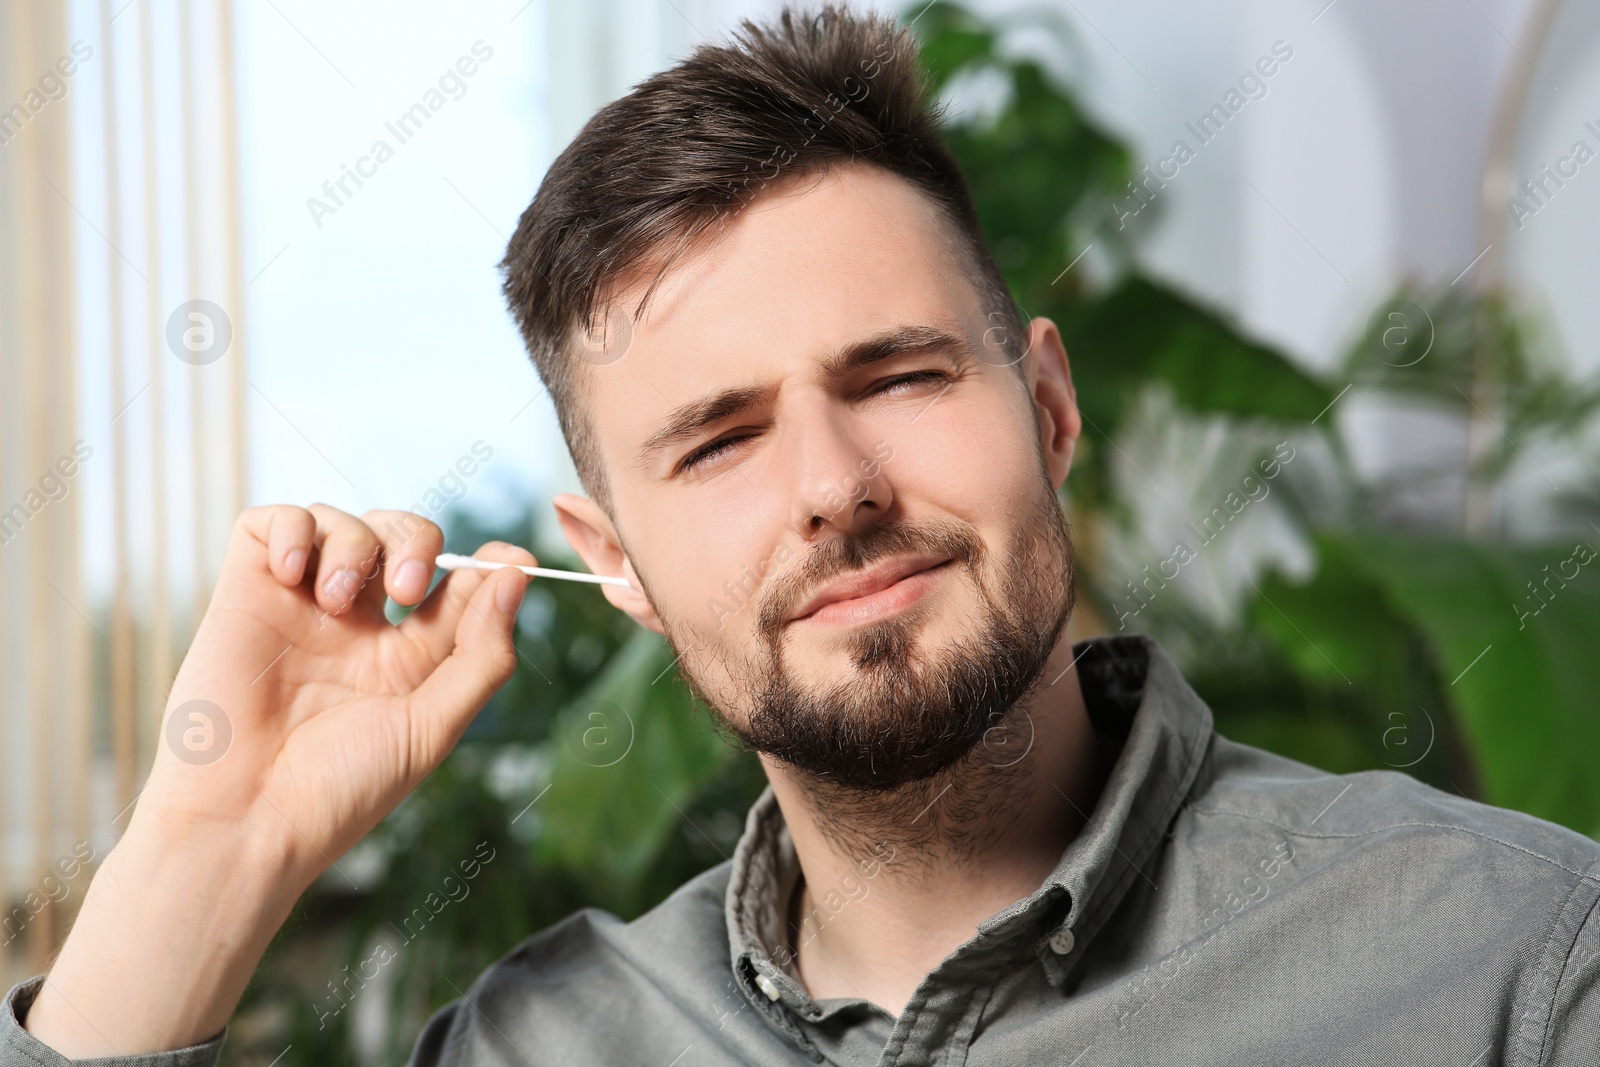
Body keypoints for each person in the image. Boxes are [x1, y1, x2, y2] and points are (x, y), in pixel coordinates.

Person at [9, 5, 1598, 1064]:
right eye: (718, 440)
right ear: (611, 559)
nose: (834, 485)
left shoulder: (1517, 966)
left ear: (1047, 412)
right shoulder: (534, 1044)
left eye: (896, 376)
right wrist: (211, 848)